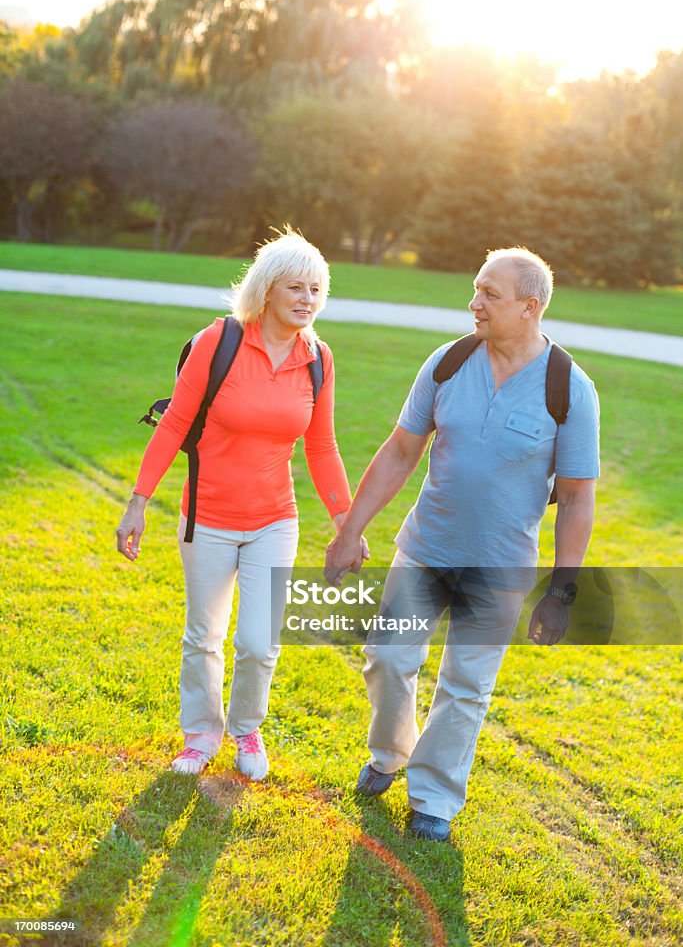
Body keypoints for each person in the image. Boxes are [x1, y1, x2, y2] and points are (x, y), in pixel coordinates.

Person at [325, 247, 600, 841]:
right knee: (389, 659)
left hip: (500, 567)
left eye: (489, 295)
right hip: (425, 548)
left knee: (466, 687)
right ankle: (390, 754)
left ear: (529, 308)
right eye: (475, 289)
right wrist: (351, 530)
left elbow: (577, 497)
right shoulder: (448, 362)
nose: (474, 303)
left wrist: (563, 591)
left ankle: (435, 799)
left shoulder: (569, 389)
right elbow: (401, 451)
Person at [117, 229, 361, 778]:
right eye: (295, 287)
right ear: (268, 290)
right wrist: (138, 501)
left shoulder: (318, 358)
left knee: (259, 641)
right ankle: (200, 737)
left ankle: (247, 731)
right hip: (207, 516)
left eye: (316, 288)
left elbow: (322, 446)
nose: (306, 299)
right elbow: (176, 421)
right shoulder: (220, 341)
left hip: (275, 518)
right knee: (203, 635)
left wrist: (346, 523)